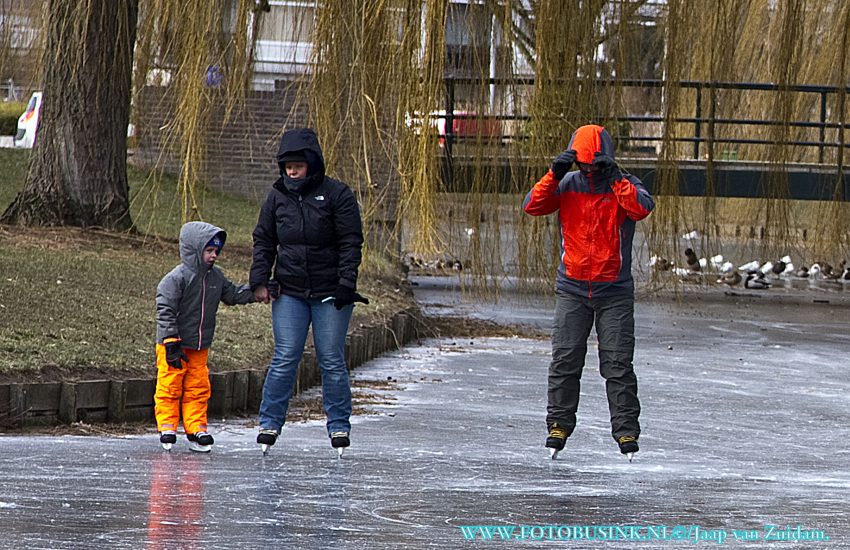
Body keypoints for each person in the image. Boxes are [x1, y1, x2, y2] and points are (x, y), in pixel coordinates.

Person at [522, 124, 655, 459]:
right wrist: (553, 174)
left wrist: (616, 180)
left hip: (615, 291)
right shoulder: (566, 185)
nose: (587, 169)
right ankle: (559, 425)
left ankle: (626, 431)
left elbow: (641, 208)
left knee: (617, 363)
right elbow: (532, 205)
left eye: (593, 163)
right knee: (565, 359)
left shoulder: (626, 185)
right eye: (582, 163)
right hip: (573, 288)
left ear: (606, 160)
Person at [250, 127, 367, 456]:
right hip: (290, 291)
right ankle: (270, 421)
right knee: (286, 356)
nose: (292, 171)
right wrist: (260, 279)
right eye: (287, 166)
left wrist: (347, 284)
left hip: (330, 293)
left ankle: (339, 424)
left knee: (331, 359)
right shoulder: (276, 198)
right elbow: (264, 240)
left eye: (298, 166)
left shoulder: (337, 195)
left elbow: (350, 242)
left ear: (312, 164)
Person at [155, 221, 255, 452]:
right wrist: (170, 340)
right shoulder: (176, 278)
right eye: (209, 251)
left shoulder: (215, 278)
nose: (214, 256)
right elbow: (165, 310)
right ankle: (167, 425)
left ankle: (196, 427)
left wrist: (257, 291)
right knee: (170, 384)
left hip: (200, 345)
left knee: (198, 387)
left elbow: (233, 295)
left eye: (216, 251)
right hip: (175, 344)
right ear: (194, 250)